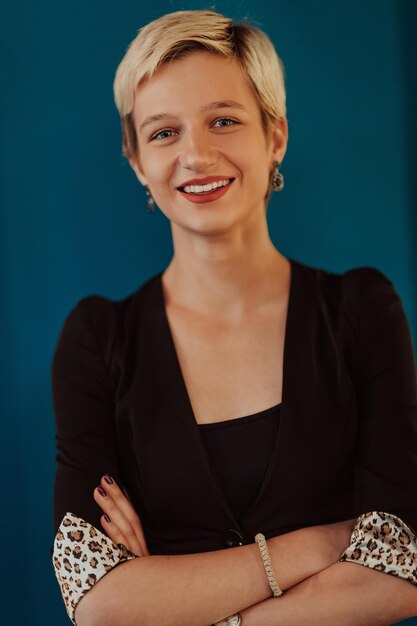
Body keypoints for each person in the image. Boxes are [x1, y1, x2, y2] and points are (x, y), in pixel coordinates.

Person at [51, 9, 417, 626]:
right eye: (164, 132)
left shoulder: (361, 311)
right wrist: (324, 543)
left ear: (275, 136)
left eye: (223, 120)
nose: (196, 154)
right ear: (136, 158)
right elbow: (97, 601)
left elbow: (403, 564)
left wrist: (176, 601)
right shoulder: (97, 340)